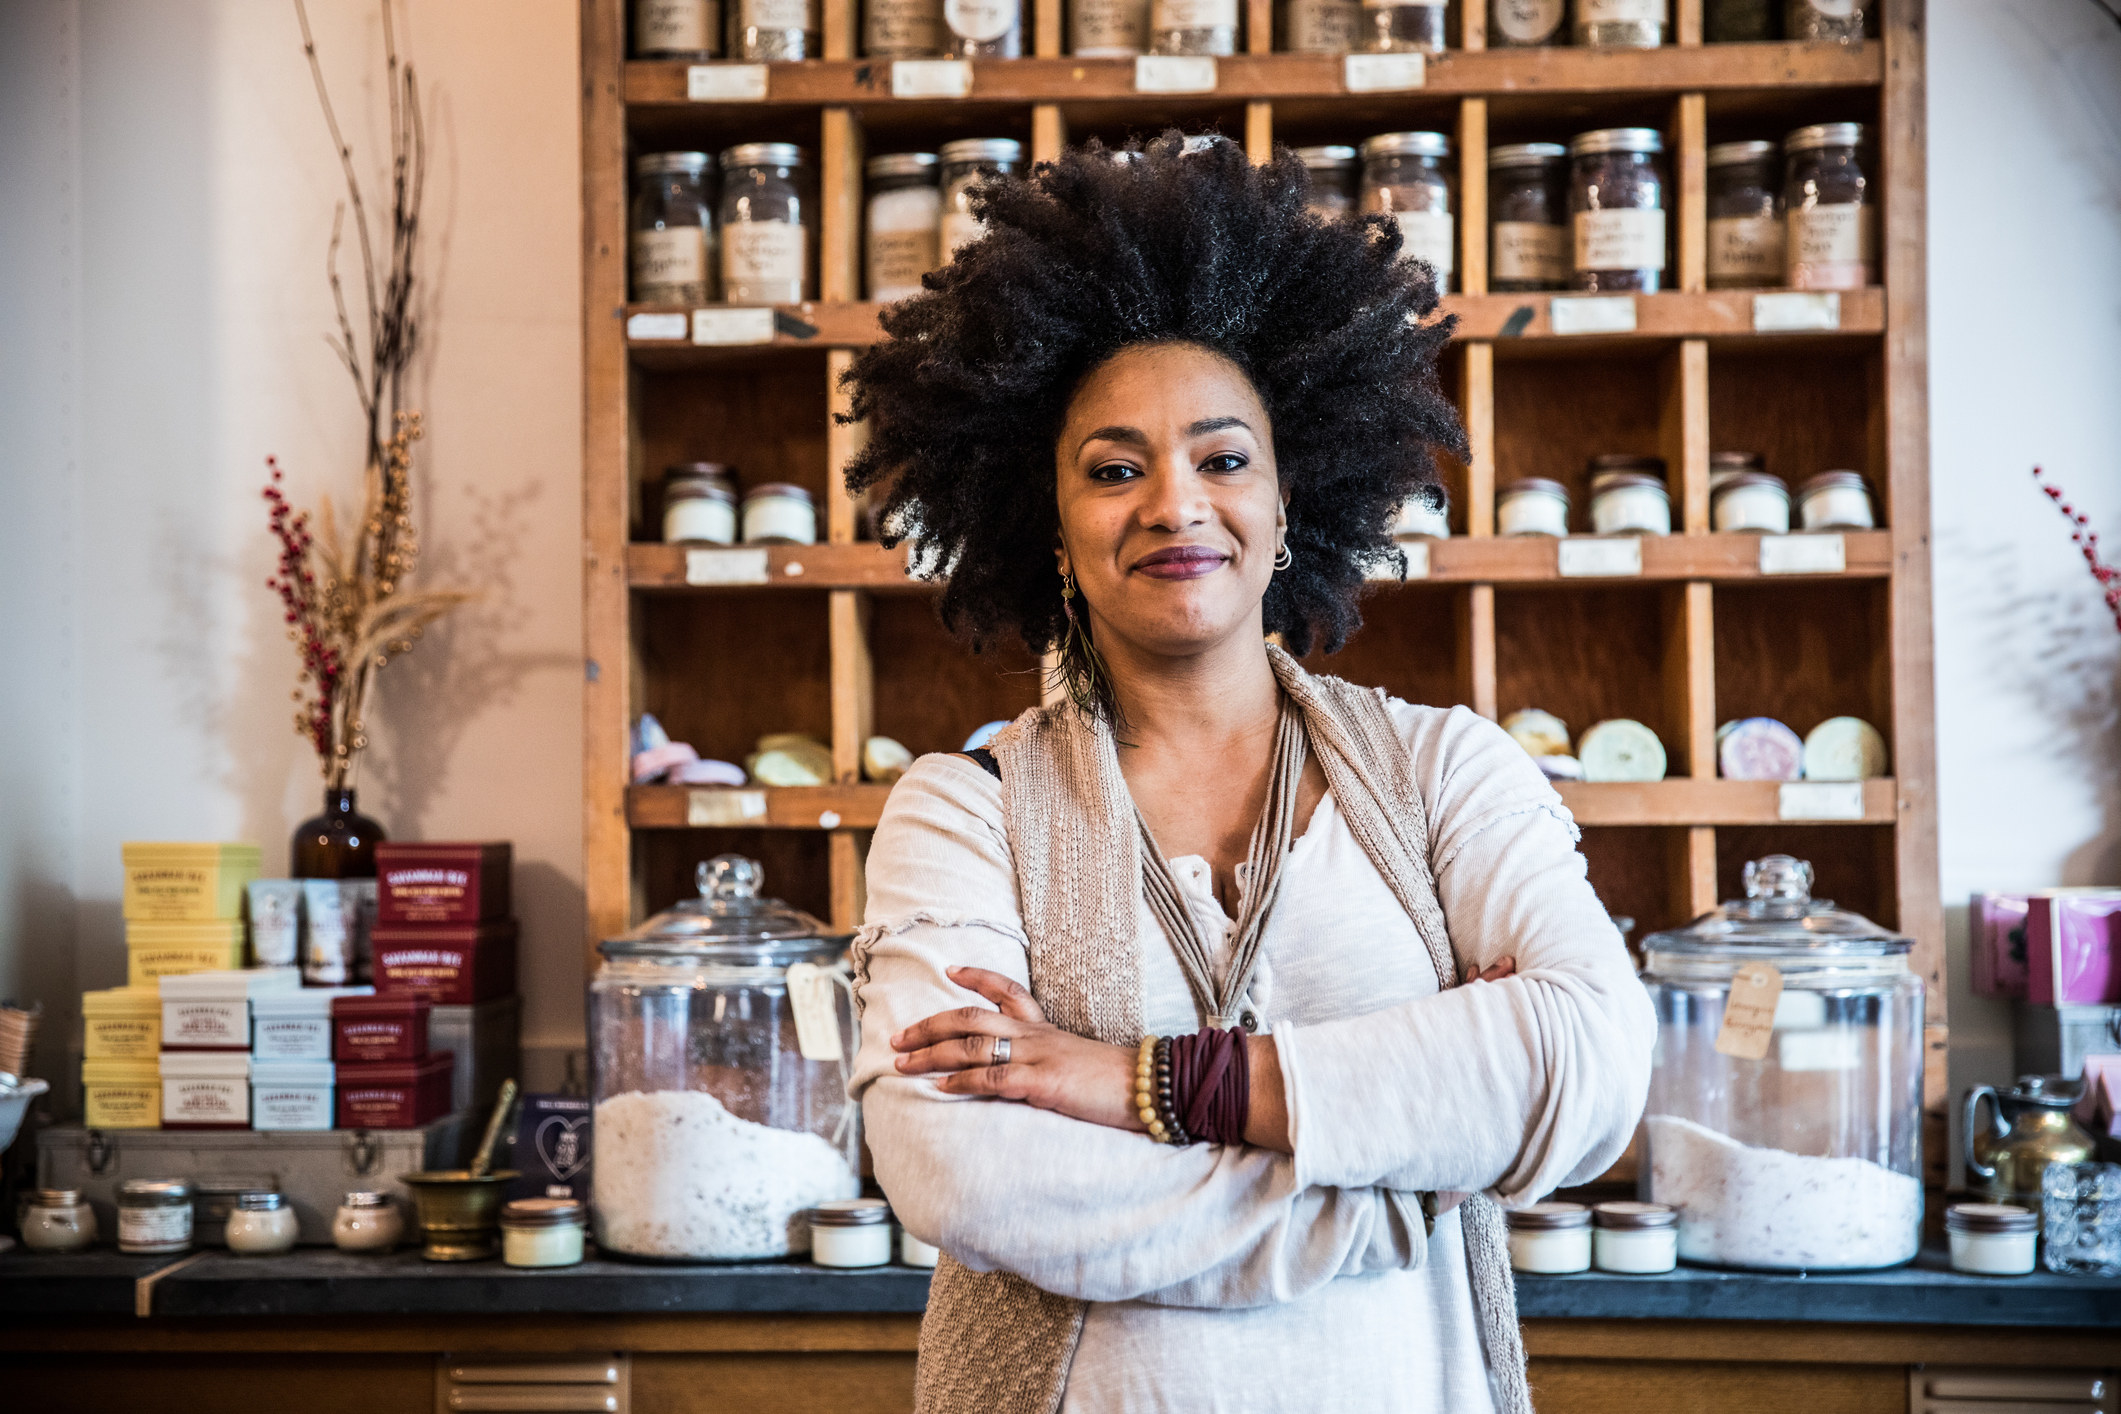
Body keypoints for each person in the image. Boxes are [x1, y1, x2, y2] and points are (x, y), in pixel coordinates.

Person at [842, 132, 1656, 1414]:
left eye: (1224, 459)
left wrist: (1135, 1083)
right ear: (1050, 523)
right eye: (1115, 470)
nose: (1175, 504)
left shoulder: (1444, 770)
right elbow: (960, 1169)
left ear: (1288, 506)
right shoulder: (967, 809)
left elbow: (1590, 1066)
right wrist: (1398, 1185)